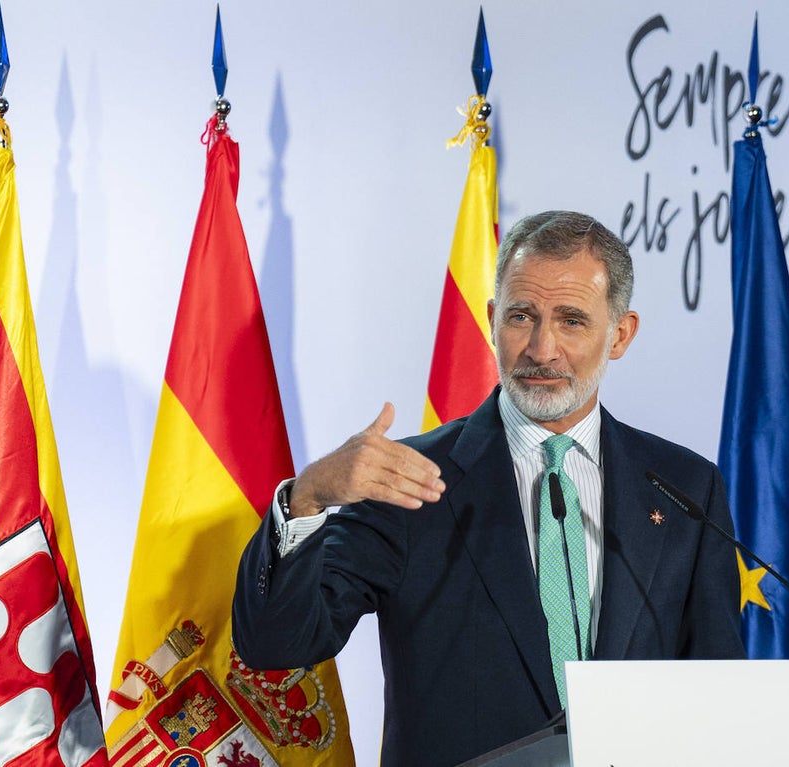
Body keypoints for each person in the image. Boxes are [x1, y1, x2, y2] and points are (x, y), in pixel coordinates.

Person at [232, 211, 745, 766]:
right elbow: (276, 645)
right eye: (522, 317)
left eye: (572, 321)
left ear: (620, 334)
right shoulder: (407, 478)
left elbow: (715, 690)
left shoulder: (684, 487)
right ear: (494, 319)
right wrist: (306, 499)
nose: (542, 349)